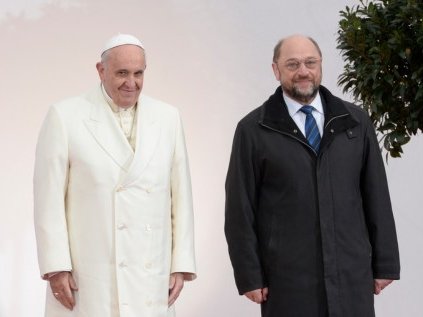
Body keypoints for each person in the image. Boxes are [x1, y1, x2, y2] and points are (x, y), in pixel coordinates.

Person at [224, 34, 400, 317]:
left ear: (321, 65)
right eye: (292, 64)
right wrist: (249, 275)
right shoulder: (253, 130)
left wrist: (386, 262)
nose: (303, 71)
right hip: (287, 279)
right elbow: (239, 209)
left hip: (350, 273)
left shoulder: (355, 121)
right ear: (275, 70)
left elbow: (376, 194)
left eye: (310, 62)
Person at [34, 34, 196, 317]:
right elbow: (48, 198)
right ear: (101, 70)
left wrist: (180, 264)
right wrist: (56, 265)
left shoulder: (168, 117)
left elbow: (181, 195)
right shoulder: (65, 116)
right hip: (91, 275)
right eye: (122, 73)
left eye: (138, 73)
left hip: (150, 273)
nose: (131, 83)